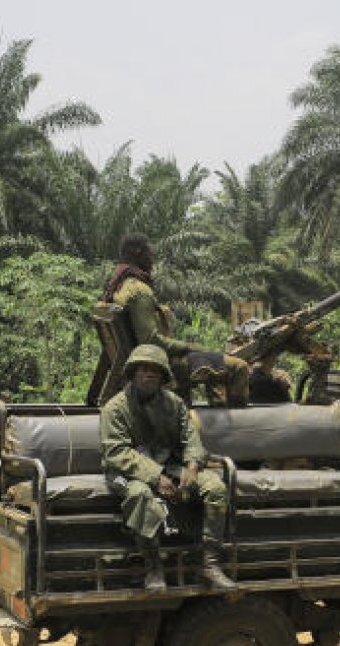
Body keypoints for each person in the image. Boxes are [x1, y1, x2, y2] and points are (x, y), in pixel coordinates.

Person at [101, 344, 236, 592]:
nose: (149, 374)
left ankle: (210, 564)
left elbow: (190, 439)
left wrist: (193, 466)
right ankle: (153, 567)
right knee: (140, 495)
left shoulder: (173, 403)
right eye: (143, 369)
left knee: (215, 487)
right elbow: (117, 452)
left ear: (164, 376)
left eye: (155, 370)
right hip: (128, 470)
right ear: (132, 373)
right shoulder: (115, 408)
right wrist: (156, 477)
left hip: (169, 464)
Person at [103, 233, 249, 406]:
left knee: (211, 359)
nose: (152, 260)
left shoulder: (120, 285)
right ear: (137, 253)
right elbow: (150, 340)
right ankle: (237, 426)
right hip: (161, 361)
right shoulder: (140, 291)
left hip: (144, 357)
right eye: (150, 254)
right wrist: (188, 346)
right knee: (239, 366)